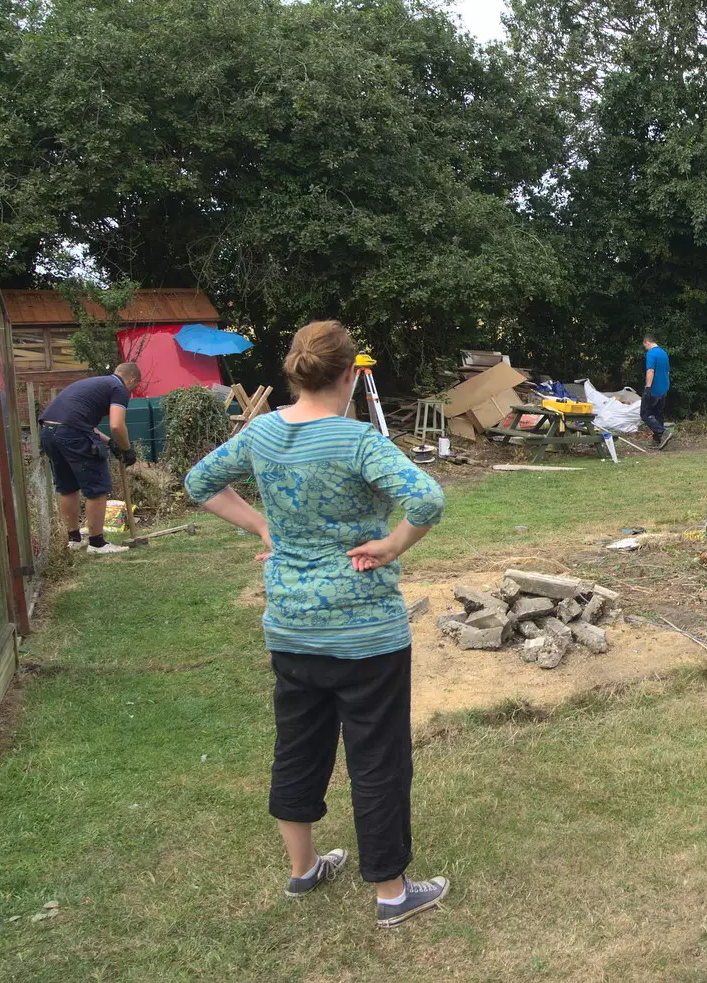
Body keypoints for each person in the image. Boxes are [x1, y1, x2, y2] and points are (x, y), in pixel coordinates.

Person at [184, 321, 449, 929]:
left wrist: (260, 526)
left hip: (291, 626)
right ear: (352, 374)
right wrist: (391, 544)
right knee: (377, 758)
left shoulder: (263, 433)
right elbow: (428, 500)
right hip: (365, 636)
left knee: (299, 747)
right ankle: (391, 894)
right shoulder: (359, 442)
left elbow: (200, 483)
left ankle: (303, 870)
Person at [38, 362, 142, 554]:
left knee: (68, 487)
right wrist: (127, 449)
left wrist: (110, 442)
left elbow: (76, 420)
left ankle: (74, 540)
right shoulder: (119, 388)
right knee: (97, 486)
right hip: (71, 434)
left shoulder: (94, 383)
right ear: (132, 380)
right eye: (134, 387)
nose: (131, 391)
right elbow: (117, 425)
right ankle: (97, 543)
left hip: (48, 431)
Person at [641, 333, 672, 449]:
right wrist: (666, 386)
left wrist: (648, 387)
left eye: (645, 346)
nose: (645, 348)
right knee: (658, 414)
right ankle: (657, 441)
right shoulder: (664, 353)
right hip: (664, 389)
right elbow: (667, 372)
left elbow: (650, 371)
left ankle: (662, 432)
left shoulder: (651, 353)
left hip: (654, 390)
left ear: (647, 342)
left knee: (645, 414)